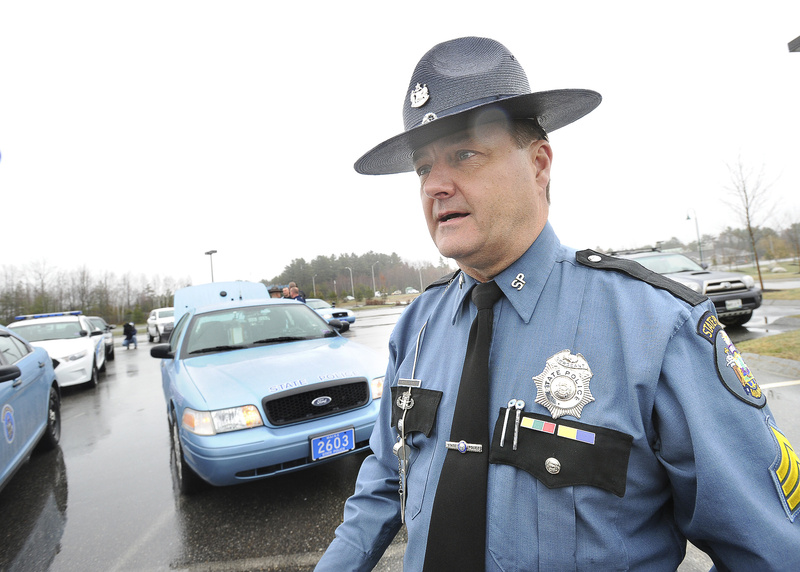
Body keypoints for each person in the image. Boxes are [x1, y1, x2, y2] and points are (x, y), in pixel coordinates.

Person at [316, 37, 800, 570]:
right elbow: (386, 481)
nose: (436, 185)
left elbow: (767, 551)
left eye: (464, 155)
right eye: (422, 167)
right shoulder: (416, 327)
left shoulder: (656, 329)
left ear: (540, 164)